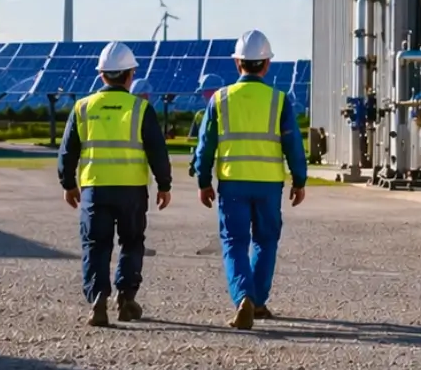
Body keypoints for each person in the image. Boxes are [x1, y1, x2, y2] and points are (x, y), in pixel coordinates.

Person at [192, 29, 307, 330]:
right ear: (267, 64)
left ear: (237, 63)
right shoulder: (279, 101)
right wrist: (300, 179)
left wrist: (203, 181)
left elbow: (206, 145)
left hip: (232, 184)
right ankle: (256, 300)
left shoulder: (220, 99)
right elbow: (293, 144)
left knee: (234, 242)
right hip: (269, 184)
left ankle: (244, 295)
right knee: (266, 241)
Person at [57, 41, 173, 328]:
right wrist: (164, 184)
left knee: (96, 245)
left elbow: (68, 151)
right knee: (132, 243)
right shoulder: (141, 109)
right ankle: (126, 297)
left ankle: (98, 299)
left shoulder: (83, 108)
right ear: (130, 75)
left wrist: (68, 183)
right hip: (132, 191)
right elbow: (157, 150)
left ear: (102, 75)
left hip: (95, 189)